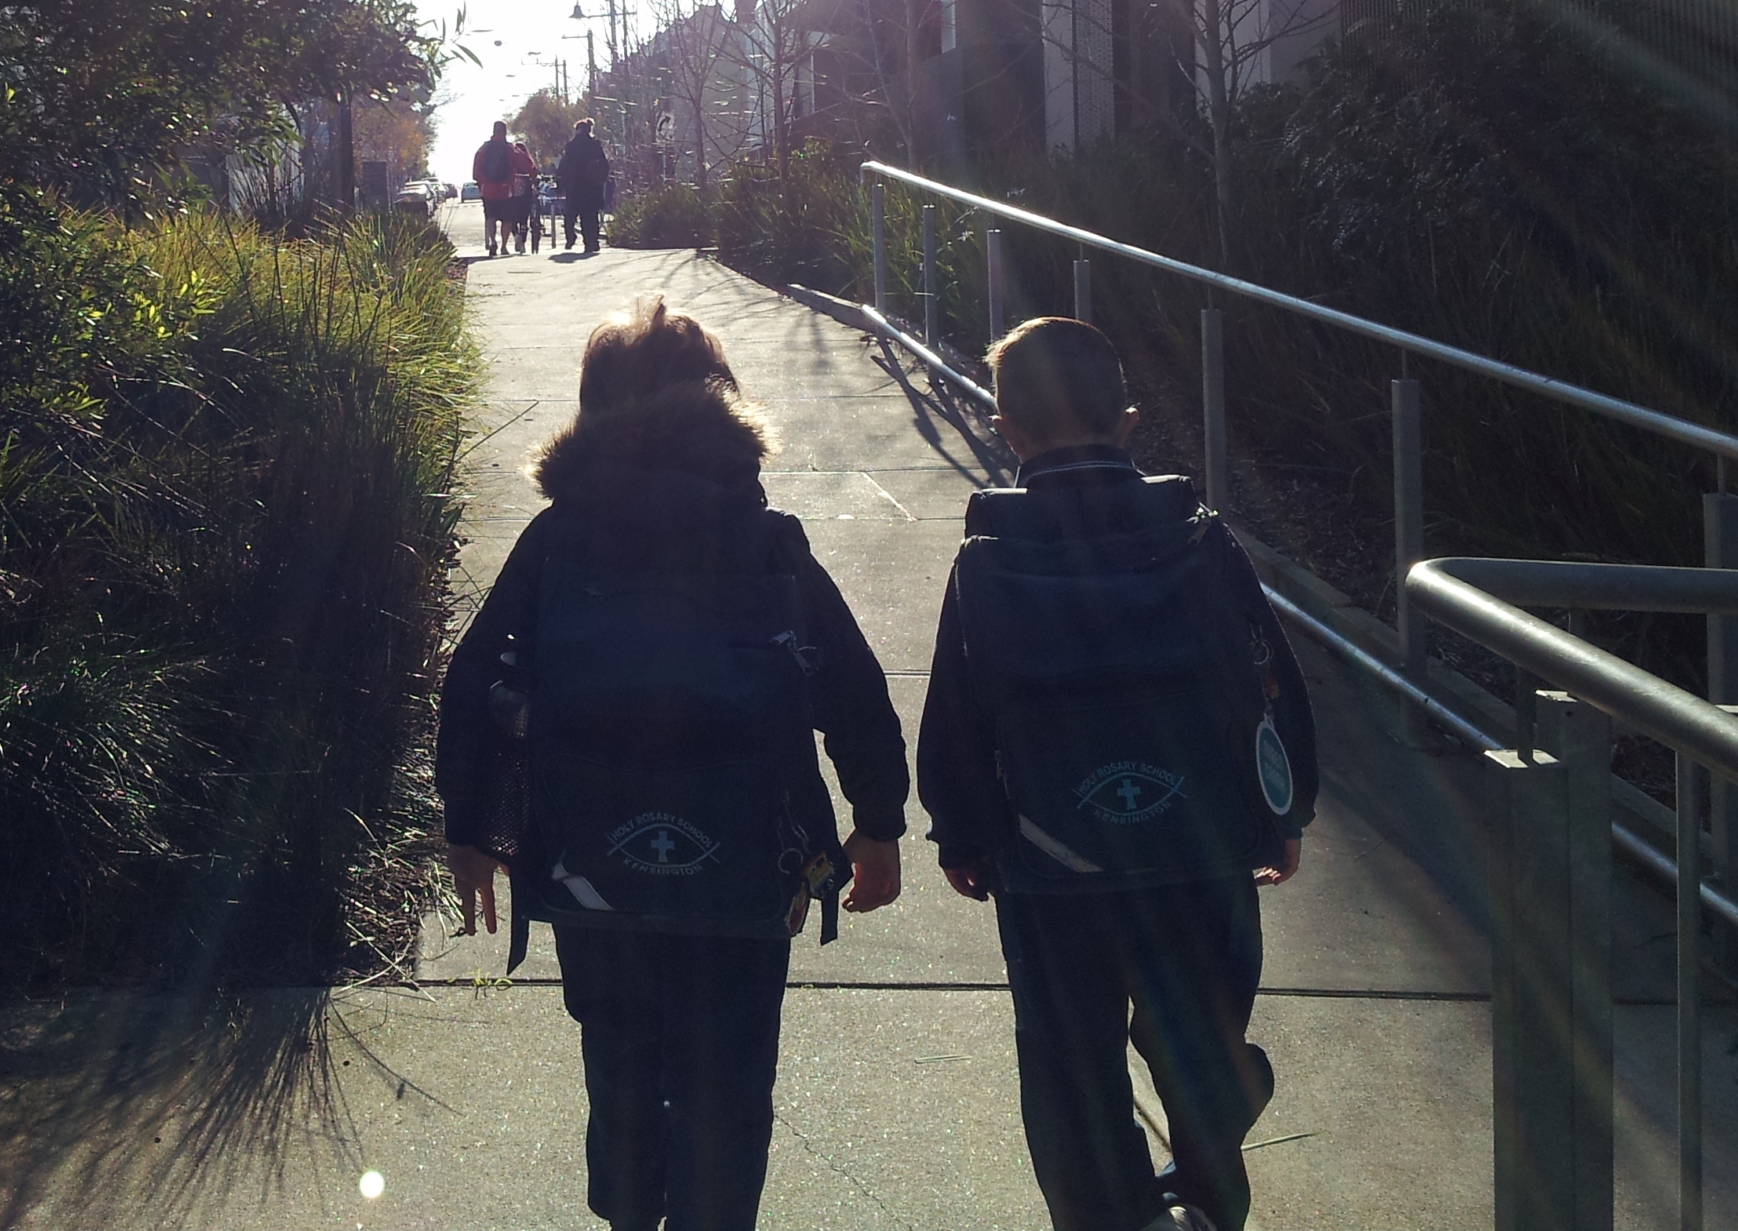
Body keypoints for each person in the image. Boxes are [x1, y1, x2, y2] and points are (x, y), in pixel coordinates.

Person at [438, 299, 907, 1231]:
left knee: (618, 1062)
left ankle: (627, 1216)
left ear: (591, 408)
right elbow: (849, 687)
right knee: (731, 1078)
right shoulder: (765, 541)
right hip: (747, 864)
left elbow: (477, 678)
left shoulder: (558, 541)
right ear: (723, 403)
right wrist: (879, 821)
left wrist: (471, 830)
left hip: (591, 858)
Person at [918, 317, 1316, 1231]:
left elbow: (959, 708)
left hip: (1050, 859)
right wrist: (1282, 812)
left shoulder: (987, 560)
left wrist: (965, 830)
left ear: (1006, 430)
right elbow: (1264, 680)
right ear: (1128, 422)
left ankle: (1108, 1216)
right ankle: (1215, 1172)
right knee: (1198, 1036)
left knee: (1069, 1065)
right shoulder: (1199, 540)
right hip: (1200, 845)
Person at [559, 119, 611, 255]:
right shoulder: (595, 145)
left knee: (571, 213)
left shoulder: (570, 146)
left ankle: (570, 235)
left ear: (577, 130)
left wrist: (561, 184)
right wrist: (601, 180)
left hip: (574, 185)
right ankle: (591, 242)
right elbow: (604, 165)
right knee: (590, 215)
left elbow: (564, 166)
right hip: (592, 186)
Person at [473, 120, 521, 257]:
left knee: (490, 217)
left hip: (488, 188)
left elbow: (477, 168)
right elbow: (520, 162)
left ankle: (493, 241)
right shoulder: (509, 148)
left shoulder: (485, 148)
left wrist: (481, 181)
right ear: (505, 131)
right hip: (505, 189)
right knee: (506, 219)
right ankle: (504, 247)